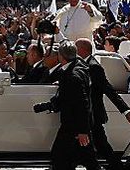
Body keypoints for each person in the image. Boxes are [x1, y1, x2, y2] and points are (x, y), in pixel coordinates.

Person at [34, 42, 98, 170]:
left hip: (73, 126)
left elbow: (82, 103)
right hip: (77, 125)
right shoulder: (78, 68)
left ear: (61, 57)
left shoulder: (72, 76)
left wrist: (82, 131)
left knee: (59, 158)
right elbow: (67, 97)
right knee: (86, 160)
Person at [76, 38, 130, 170]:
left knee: (101, 145)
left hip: (94, 115)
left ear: (82, 50)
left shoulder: (94, 67)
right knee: (96, 145)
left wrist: (126, 111)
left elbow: (108, 89)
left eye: (76, 47)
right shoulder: (80, 64)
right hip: (87, 114)